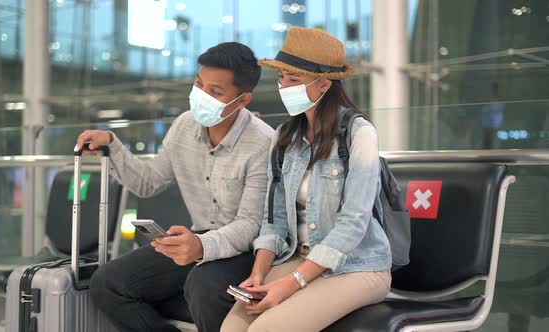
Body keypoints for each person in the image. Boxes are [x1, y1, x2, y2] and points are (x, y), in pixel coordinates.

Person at [76, 42, 274, 332]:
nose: (202, 96)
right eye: (199, 84)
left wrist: (201, 247)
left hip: (243, 251)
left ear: (242, 100)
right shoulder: (185, 125)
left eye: (216, 92)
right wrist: (112, 144)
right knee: (108, 283)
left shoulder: (262, 143)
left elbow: (250, 225)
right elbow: (148, 182)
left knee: (202, 285)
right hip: (199, 239)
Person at [221, 27, 392, 332]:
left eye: (294, 79)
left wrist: (291, 284)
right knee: (232, 328)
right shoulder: (284, 138)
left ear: (324, 84)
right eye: (282, 78)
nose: (283, 86)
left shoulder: (358, 134)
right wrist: (259, 274)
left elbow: (354, 222)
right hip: (298, 259)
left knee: (266, 329)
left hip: (357, 267)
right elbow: (272, 221)